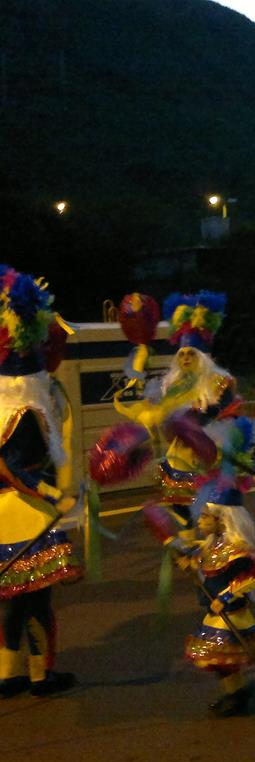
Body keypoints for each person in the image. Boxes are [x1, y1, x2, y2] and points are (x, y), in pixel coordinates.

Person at [0, 266, 81, 698]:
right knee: (36, 601)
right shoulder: (26, 411)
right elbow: (14, 467)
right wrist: (56, 494)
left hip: (5, 516)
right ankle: (38, 676)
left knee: (15, 600)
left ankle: (7, 675)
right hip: (28, 514)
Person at [116, 291, 240, 540]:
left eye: (191, 354)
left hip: (209, 454)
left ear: (202, 358)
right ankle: (189, 544)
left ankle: (221, 546)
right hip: (180, 456)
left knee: (214, 510)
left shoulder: (220, 382)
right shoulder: (172, 385)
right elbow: (164, 419)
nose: (185, 358)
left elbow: (214, 414)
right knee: (179, 504)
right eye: (181, 354)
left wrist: (186, 420)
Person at [176, 450, 255, 718]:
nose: (200, 522)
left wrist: (226, 598)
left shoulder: (238, 551)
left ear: (223, 518)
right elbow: (200, 562)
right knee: (222, 662)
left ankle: (236, 695)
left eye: (205, 517)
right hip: (215, 613)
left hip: (231, 614)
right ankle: (235, 693)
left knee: (222, 660)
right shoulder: (211, 546)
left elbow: (250, 579)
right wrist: (188, 563)